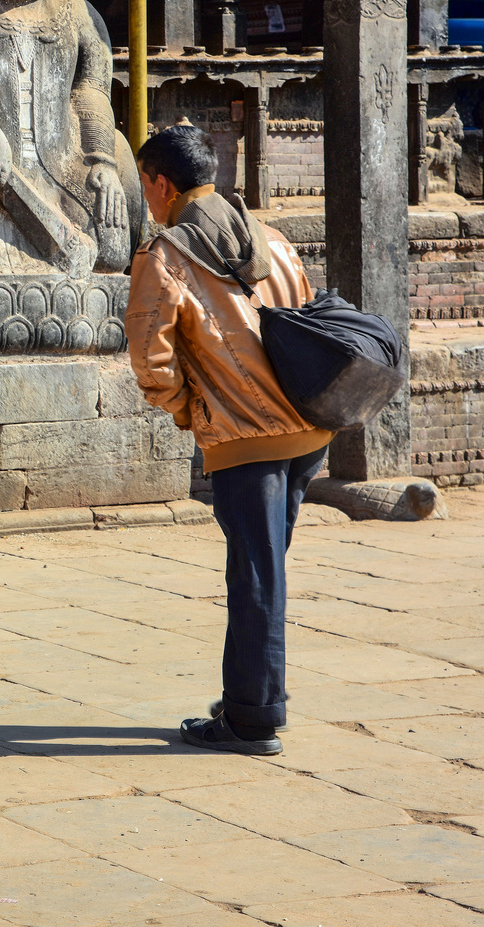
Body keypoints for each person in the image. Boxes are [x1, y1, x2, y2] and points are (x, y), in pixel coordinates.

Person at [126, 123, 333, 757]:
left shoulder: (164, 257)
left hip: (246, 443)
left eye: (145, 186)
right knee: (262, 571)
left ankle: (252, 719)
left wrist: (197, 413)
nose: (147, 199)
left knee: (255, 578)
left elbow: (150, 365)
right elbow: (302, 315)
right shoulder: (270, 237)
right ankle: (245, 698)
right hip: (307, 431)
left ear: (162, 185)